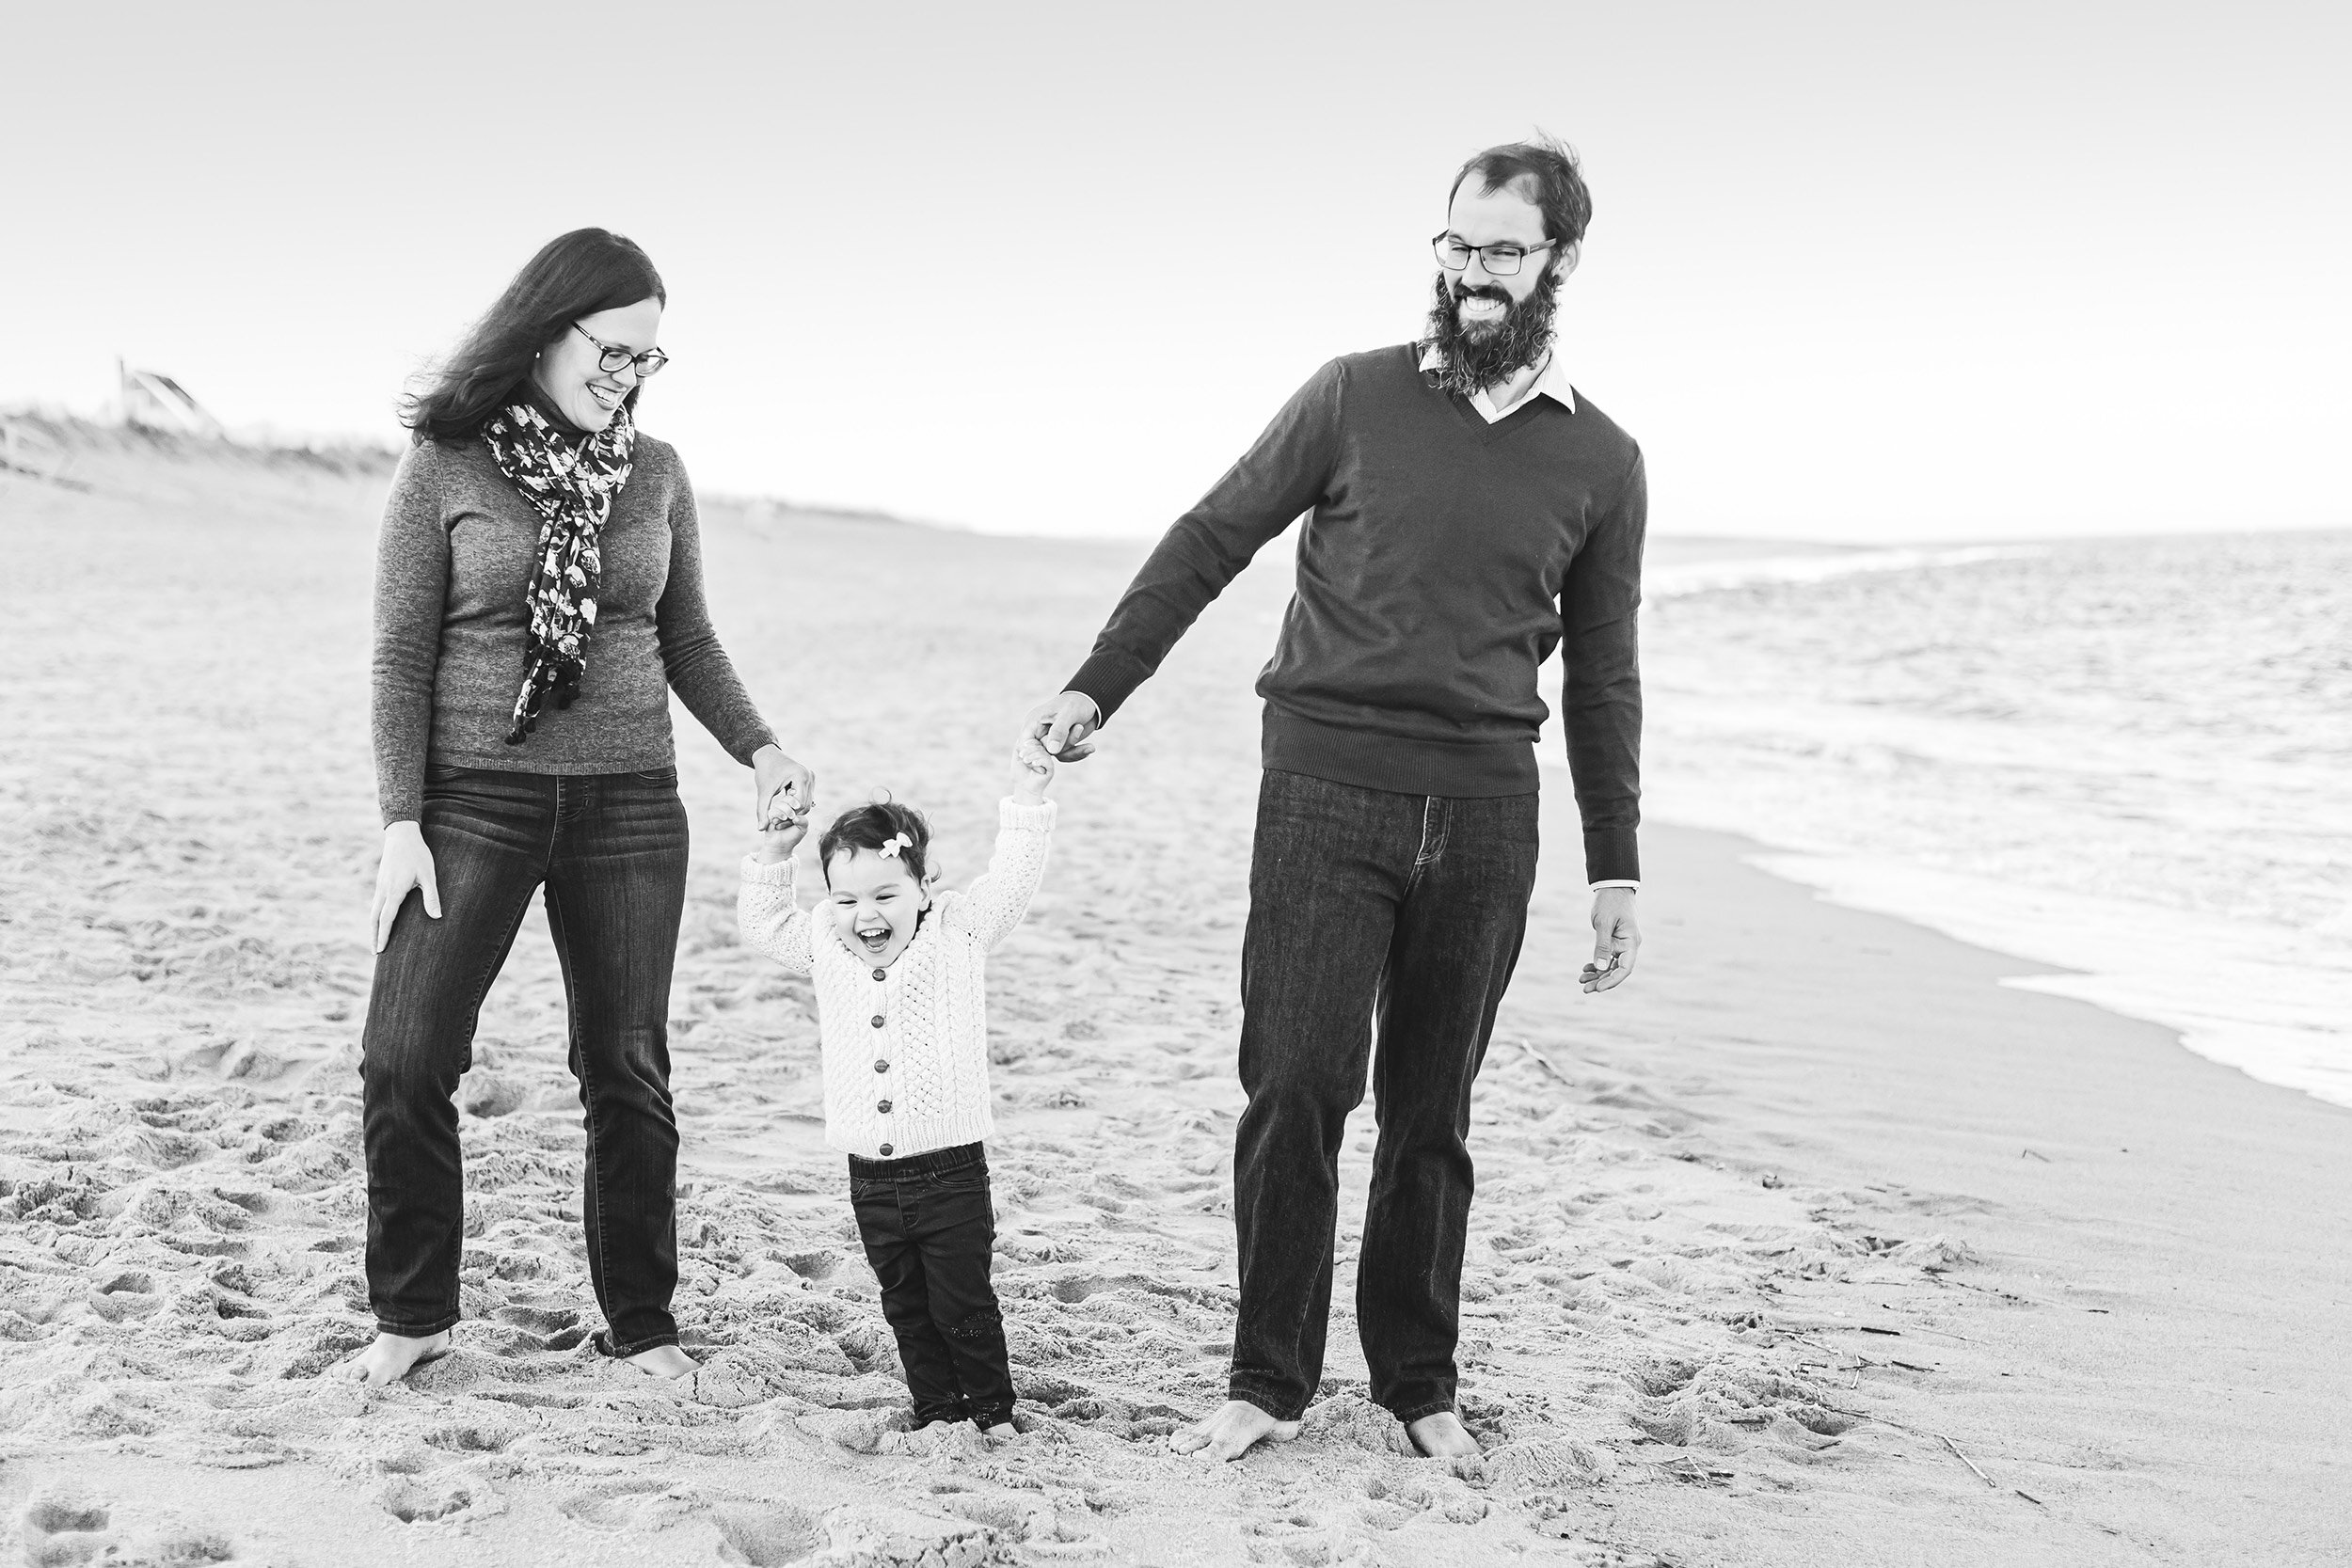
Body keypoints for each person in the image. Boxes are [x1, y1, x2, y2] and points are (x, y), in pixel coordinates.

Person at [1024, 135, 1646, 1462]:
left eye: (1503, 252)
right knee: (1298, 1081)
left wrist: (1616, 866)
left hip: (1486, 812)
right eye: (1458, 246)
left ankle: (1418, 1381)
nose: (1474, 275)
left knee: (1434, 1112)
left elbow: (1603, 675)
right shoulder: (1352, 394)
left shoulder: (1603, 459)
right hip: (1326, 789)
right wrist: (1099, 683)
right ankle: (1266, 1380)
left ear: (1560, 262)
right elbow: (1212, 535)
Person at [350, 228, 815, 1386]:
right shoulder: (447, 464)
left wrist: (759, 748)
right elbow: (400, 654)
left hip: (630, 804)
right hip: (472, 799)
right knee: (406, 1055)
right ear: (548, 330)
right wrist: (401, 819)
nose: (625, 377)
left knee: (627, 1066)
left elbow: (683, 633)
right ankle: (414, 1314)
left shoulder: (653, 472)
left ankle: (642, 1322)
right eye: (611, 351)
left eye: (647, 360)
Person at [736, 733, 1060, 1435]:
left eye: (886, 893)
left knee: (964, 1303)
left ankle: (992, 1411)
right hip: (870, 1175)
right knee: (905, 1303)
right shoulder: (824, 939)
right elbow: (763, 922)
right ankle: (937, 1408)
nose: (867, 914)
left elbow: (1011, 879)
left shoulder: (957, 932)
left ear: (922, 886)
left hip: (949, 1171)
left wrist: (1028, 798)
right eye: (848, 898)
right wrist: (775, 852)